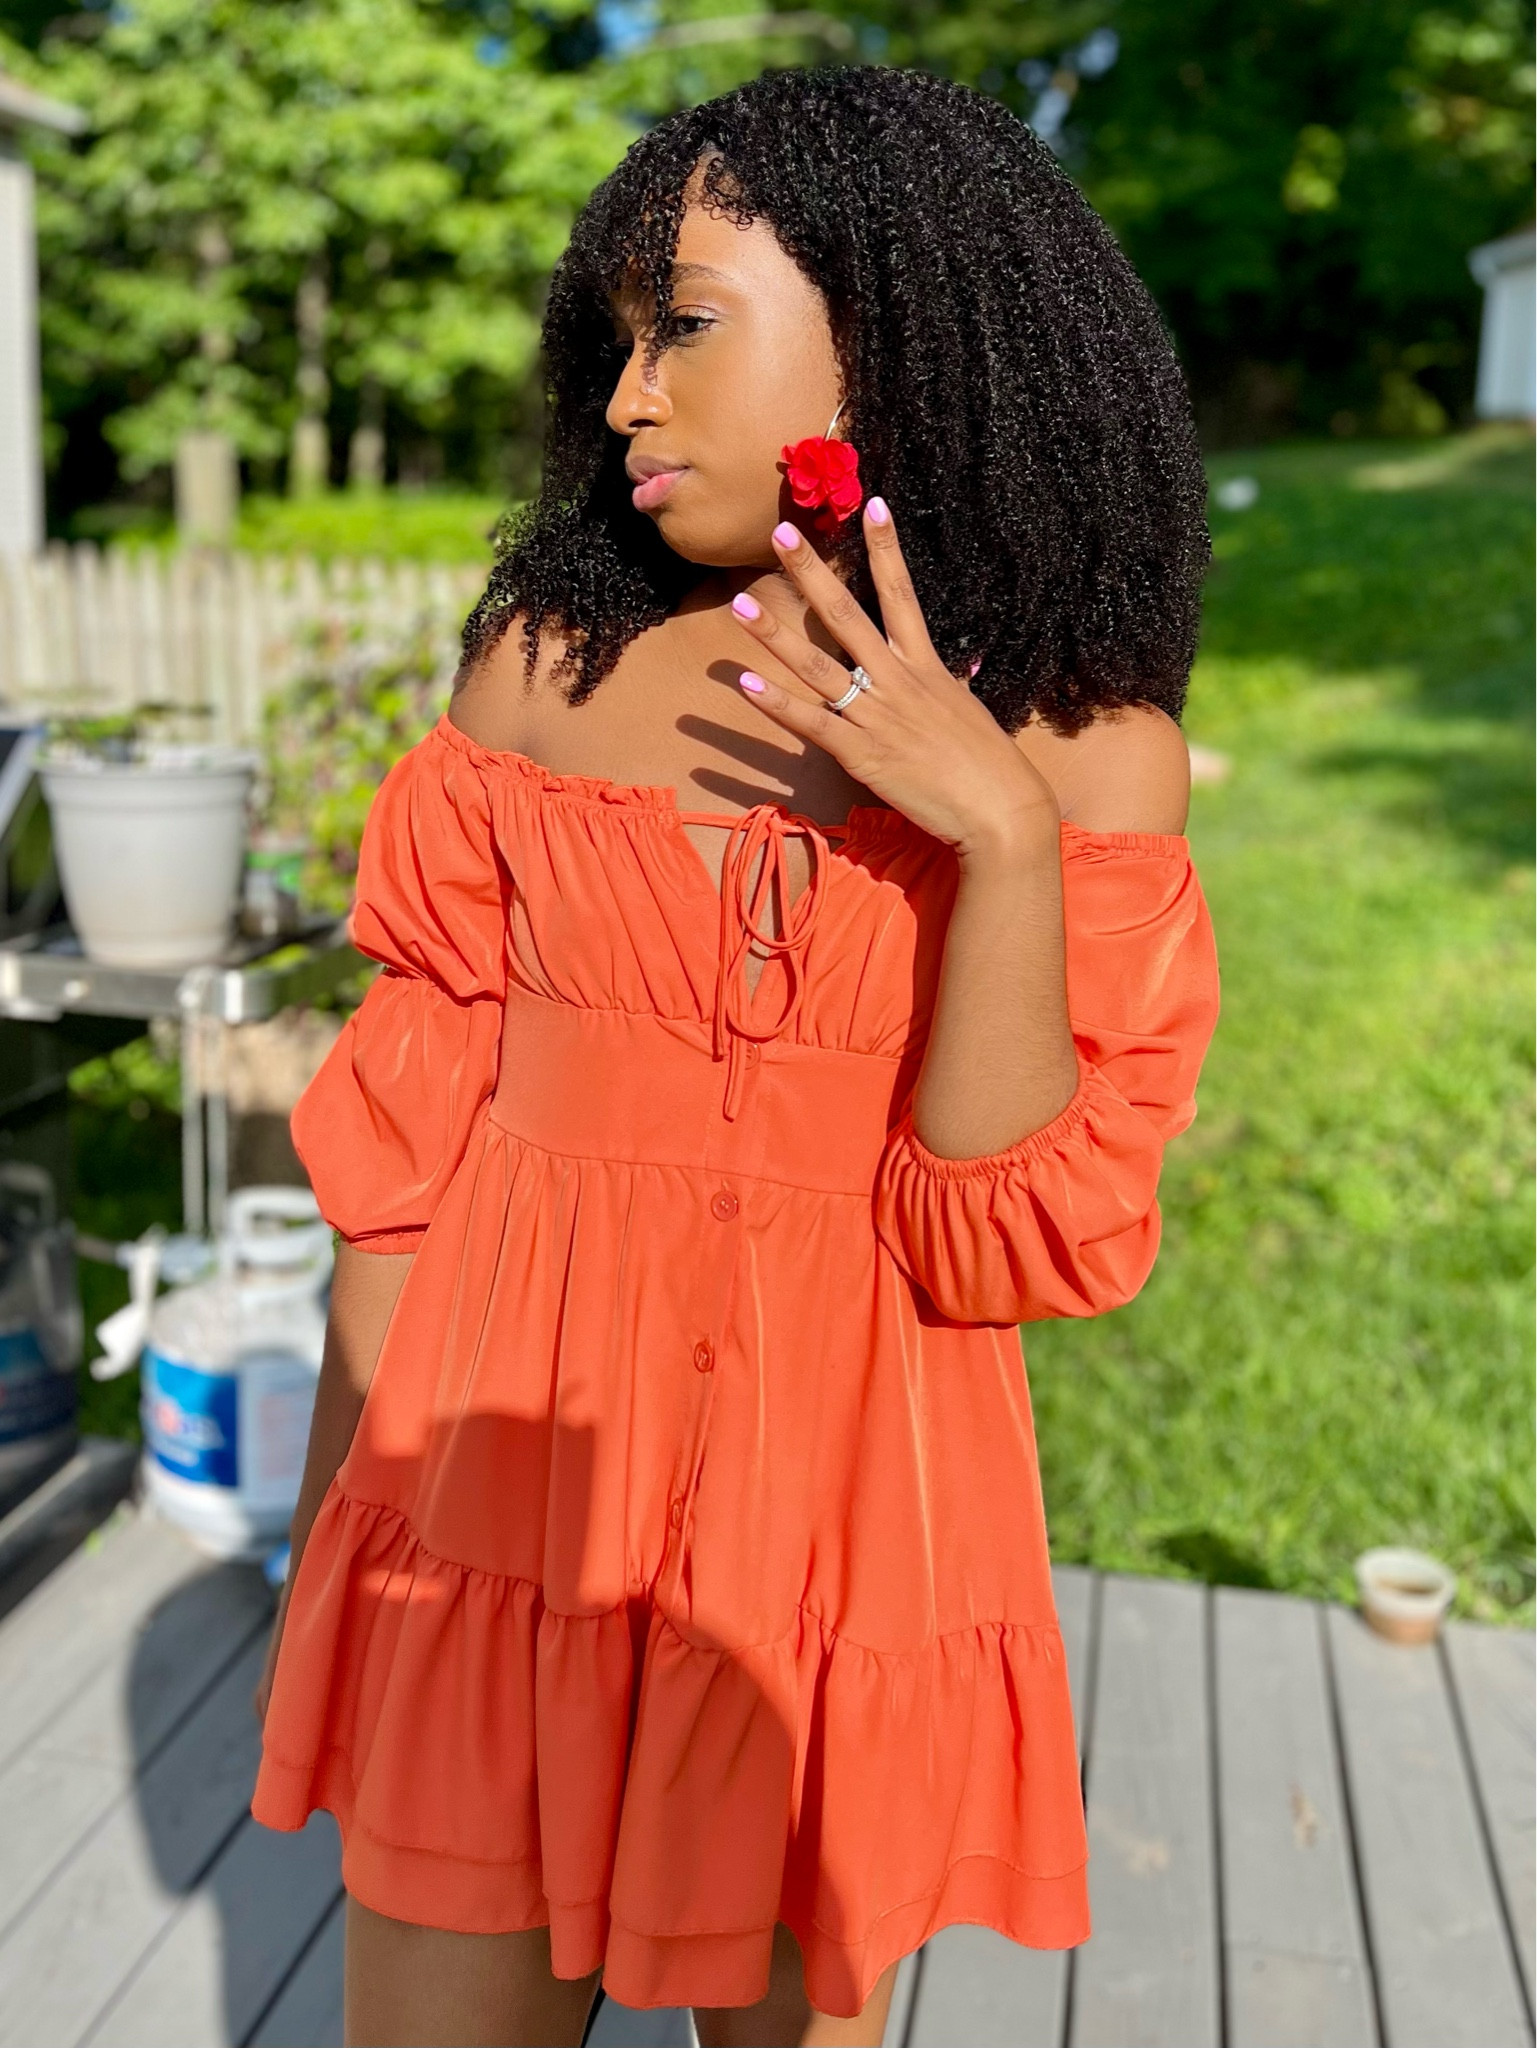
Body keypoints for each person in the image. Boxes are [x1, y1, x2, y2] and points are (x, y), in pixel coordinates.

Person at [251, 64, 1220, 2048]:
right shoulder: (544, 664)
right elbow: (404, 1167)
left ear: (899, 322)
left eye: (681, 325)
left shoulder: (1077, 744)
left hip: (822, 1568)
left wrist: (997, 842)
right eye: (610, 341)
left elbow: (993, 1237)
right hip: (485, 1544)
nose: (624, 398)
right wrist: (337, 1549)